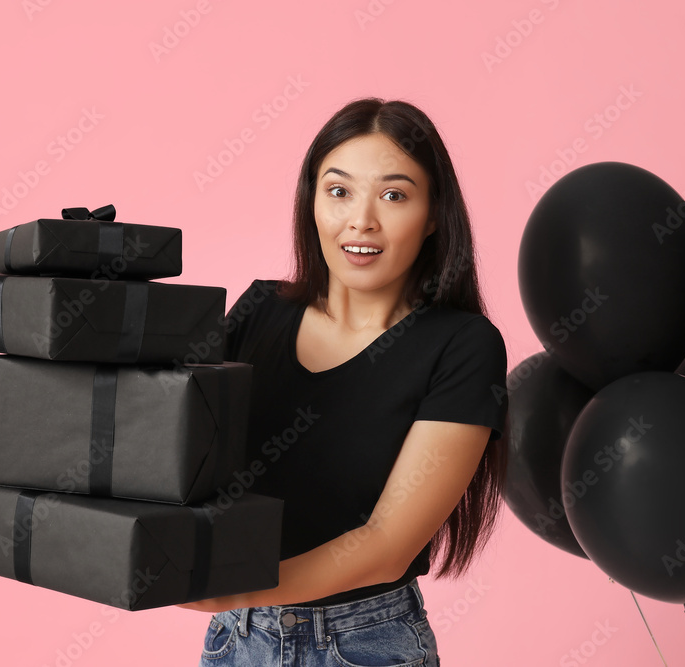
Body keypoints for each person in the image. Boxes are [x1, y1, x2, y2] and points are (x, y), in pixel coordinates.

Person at [177, 97, 508, 667]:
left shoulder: (463, 346)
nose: (362, 221)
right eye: (339, 191)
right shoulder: (258, 312)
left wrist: (231, 589)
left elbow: (384, 545)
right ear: (312, 203)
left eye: (394, 195)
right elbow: (173, 461)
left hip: (363, 644)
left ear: (432, 216)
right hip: (237, 640)